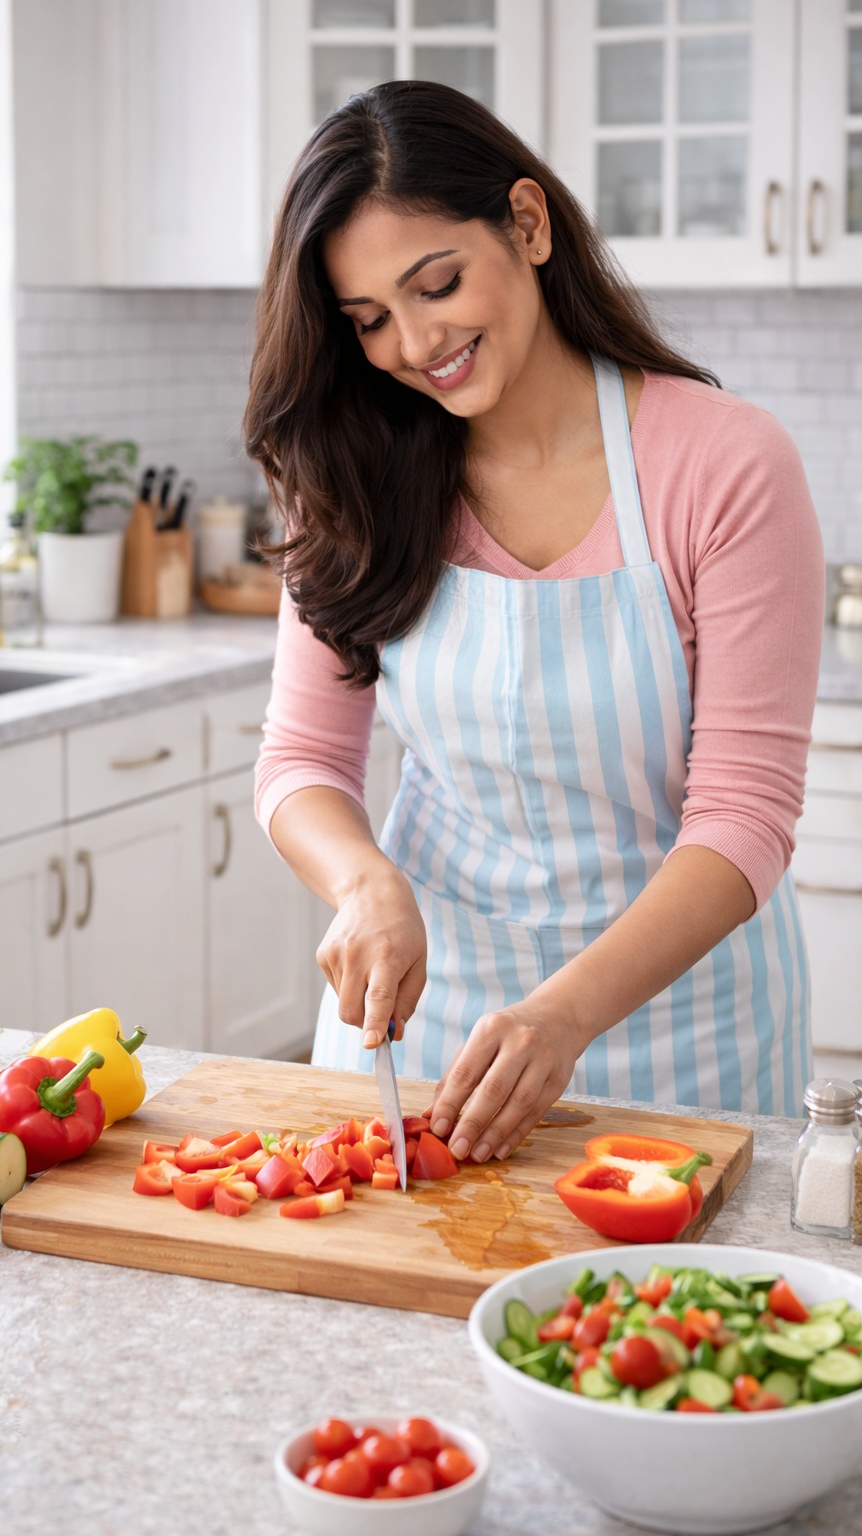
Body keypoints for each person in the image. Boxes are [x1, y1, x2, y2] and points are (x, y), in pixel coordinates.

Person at [245, 80, 825, 1169]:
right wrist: (364, 882)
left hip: (680, 1030)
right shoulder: (352, 471)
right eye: (369, 320)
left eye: (436, 284)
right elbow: (302, 758)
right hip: (426, 1022)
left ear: (526, 222)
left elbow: (742, 815)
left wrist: (565, 1015)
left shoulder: (724, 464)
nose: (416, 343)